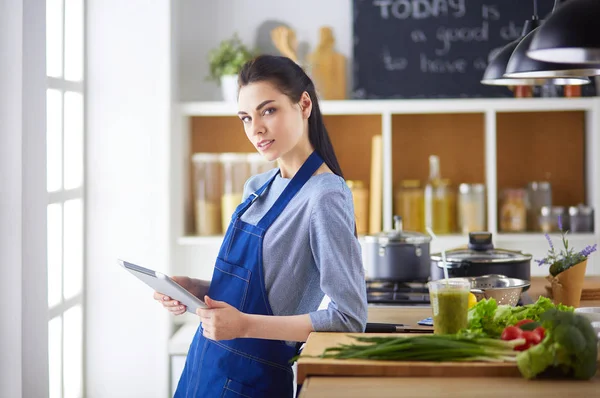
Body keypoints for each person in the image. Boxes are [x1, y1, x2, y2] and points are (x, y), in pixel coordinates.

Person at [154, 54, 368, 398]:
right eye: (245, 117)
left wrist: (245, 325)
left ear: (304, 104)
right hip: (203, 366)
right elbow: (265, 289)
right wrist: (195, 287)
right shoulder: (257, 188)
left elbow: (348, 317)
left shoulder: (325, 197)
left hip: (252, 383)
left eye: (268, 110)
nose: (256, 129)